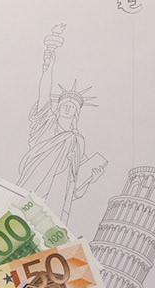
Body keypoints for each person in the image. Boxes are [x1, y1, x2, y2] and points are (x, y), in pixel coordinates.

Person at [17, 25, 108, 219]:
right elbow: (44, 92)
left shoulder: (77, 142)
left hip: (55, 203)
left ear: (77, 114)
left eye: (72, 107)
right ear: (57, 107)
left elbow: (74, 183)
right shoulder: (45, 123)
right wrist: (48, 65)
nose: (67, 108)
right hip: (31, 187)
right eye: (65, 104)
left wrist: (91, 177)